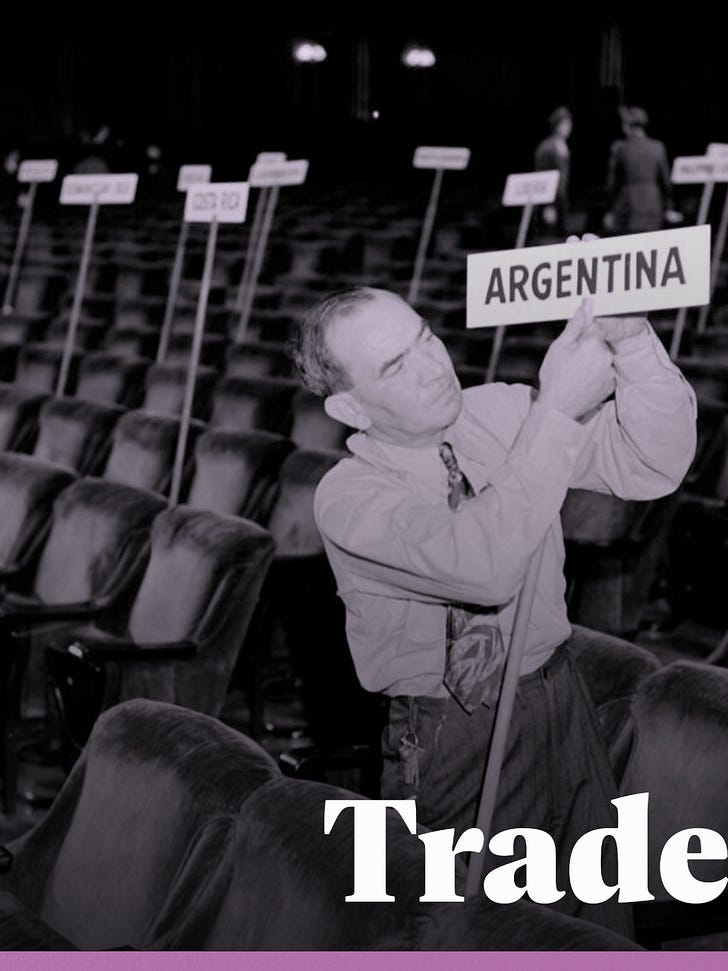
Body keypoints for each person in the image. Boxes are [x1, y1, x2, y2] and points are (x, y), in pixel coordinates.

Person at [291, 274, 696, 932]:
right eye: (396, 366)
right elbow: (482, 569)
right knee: (470, 930)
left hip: (559, 699)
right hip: (454, 733)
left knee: (595, 922)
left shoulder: (503, 412)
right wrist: (555, 414)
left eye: (425, 339)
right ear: (351, 409)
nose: (432, 366)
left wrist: (633, 343)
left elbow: (652, 463)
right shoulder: (348, 497)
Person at [604, 106, 674, 234]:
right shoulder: (658, 147)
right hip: (652, 205)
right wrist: (668, 206)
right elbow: (665, 181)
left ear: (626, 126)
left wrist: (610, 208)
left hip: (627, 206)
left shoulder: (620, 148)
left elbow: (612, 183)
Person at [534, 106, 573, 232]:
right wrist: (548, 206)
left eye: (569, 124)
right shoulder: (546, 147)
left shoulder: (563, 146)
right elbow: (542, 177)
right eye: (564, 124)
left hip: (562, 199)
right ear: (556, 125)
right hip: (550, 200)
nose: (568, 127)